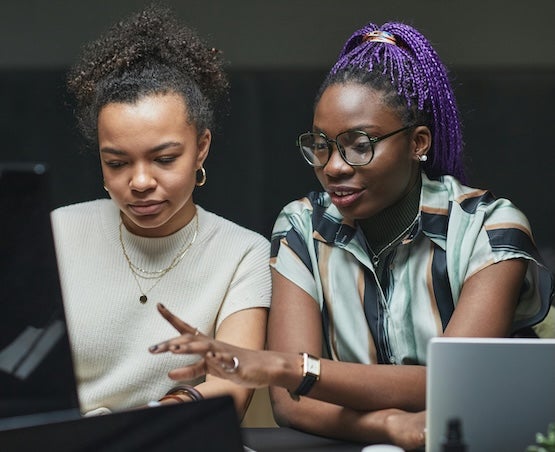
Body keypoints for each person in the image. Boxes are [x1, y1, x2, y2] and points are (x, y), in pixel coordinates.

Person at [149, 21, 554, 449]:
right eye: (321, 144)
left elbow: (456, 385)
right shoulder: (302, 227)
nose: (334, 166)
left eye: (360, 144)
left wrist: (290, 368)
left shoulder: (488, 229)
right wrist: (387, 427)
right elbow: (290, 404)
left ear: (418, 143)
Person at [50, 5, 271, 419]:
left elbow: (232, 388)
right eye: (116, 163)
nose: (139, 182)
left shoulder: (243, 253)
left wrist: (155, 423)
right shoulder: (58, 232)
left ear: (201, 147)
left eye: (164, 159)